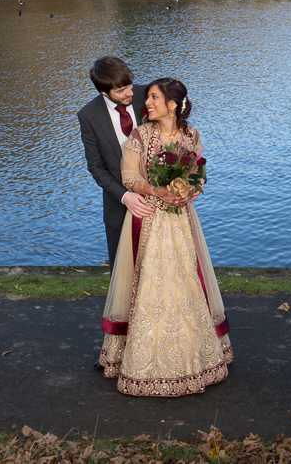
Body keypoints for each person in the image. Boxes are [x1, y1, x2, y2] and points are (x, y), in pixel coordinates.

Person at [98, 78, 233, 396]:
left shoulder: (192, 135)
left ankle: (193, 359)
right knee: (150, 284)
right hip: (147, 217)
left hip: (181, 219)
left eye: (154, 98)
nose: (147, 103)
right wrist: (155, 189)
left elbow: (199, 174)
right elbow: (129, 176)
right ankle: (140, 363)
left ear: (173, 104)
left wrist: (187, 192)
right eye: (147, 98)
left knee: (185, 280)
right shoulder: (139, 135)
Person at [77, 56, 154, 270]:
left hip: (161, 202)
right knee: (125, 272)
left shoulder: (149, 95)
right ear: (104, 92)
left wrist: (196, 178)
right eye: (121, 90)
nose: (129, 92)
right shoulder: (88, 116)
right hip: (119, 206)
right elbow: (96, 167)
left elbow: (180, 138)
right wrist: (125, 196)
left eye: (129, 85)